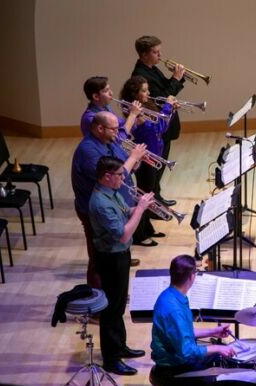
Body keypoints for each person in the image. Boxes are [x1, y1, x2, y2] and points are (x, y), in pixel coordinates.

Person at [88, 156, 153, 375]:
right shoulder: (100, 203)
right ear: (107, 176)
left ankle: (120, 346)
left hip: (120, 256)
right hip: (110, 259)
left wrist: (138, 206)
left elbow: (125, 213)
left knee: (118, 305)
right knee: (111, 309)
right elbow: (123, 235)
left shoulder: (112, 193)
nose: (123, 178)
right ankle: (111, 359)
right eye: (119, 175)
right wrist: (141, 209)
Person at [71, 112, 146, 287]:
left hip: (114, 201)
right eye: (114, 129)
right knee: (98, 257)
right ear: (99, 128)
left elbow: (122, 169)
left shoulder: (110, 142)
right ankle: (98, 301)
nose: (118, 132)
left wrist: (136, 161)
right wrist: (133, 157)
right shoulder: (88, 151)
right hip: (95, 208)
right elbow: (111, 175)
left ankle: (115, 287)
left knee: (114, 251)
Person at [150, 255, 236, 386]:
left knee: (219, 354)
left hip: (177, 358)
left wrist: (214, 331)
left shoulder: (171, 295)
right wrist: (218, 348)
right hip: (174, 367)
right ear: (192, 277)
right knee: (222, 366)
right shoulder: (174, 310)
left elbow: (184, 333)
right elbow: (187, 352)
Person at [120, 75, 176, 246]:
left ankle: (147, 229)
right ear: (135, 94)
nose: (148, 93)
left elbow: (163, 127)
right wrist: (167, 107)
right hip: (144, 159)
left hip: (152, 156)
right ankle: (139, 234)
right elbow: (155, 129)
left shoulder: (147, 106)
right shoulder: (136, 112)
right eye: (144, 90)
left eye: (147, 89)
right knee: (143, 196)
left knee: (148, 194)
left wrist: (171, 109)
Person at [132, 35, 185, 207]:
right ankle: (153, 201)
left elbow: (165, 92)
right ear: (144, 54)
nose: (160, 56)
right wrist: (176, 79)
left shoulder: (152, 69)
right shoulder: (141, 75)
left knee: (160, 164)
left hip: (164, 123)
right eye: (156, 52)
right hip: (156, 127)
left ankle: (157, 196)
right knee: (157, 165)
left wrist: (176, 80)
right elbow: (162, 98)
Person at [80, 76, 141, 140]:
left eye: (109, 89)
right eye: (106, 91)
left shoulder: (106, 108)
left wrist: (135, 118)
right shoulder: (91, 118)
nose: (111, 93)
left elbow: (120, 123)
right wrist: (132, 115)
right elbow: (118, 139)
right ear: (96, 96)